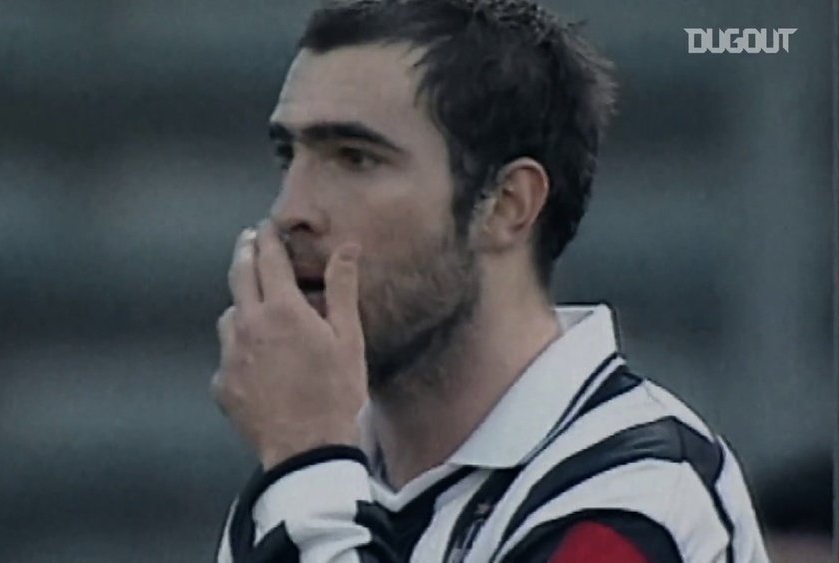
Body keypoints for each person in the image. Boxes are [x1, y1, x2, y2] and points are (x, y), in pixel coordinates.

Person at [210, 0, 770, 561]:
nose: (290, 211)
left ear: (506, 205)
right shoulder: (316, 481)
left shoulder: (635, 496)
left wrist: (305, 461)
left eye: (355, 158)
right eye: (290, 156)